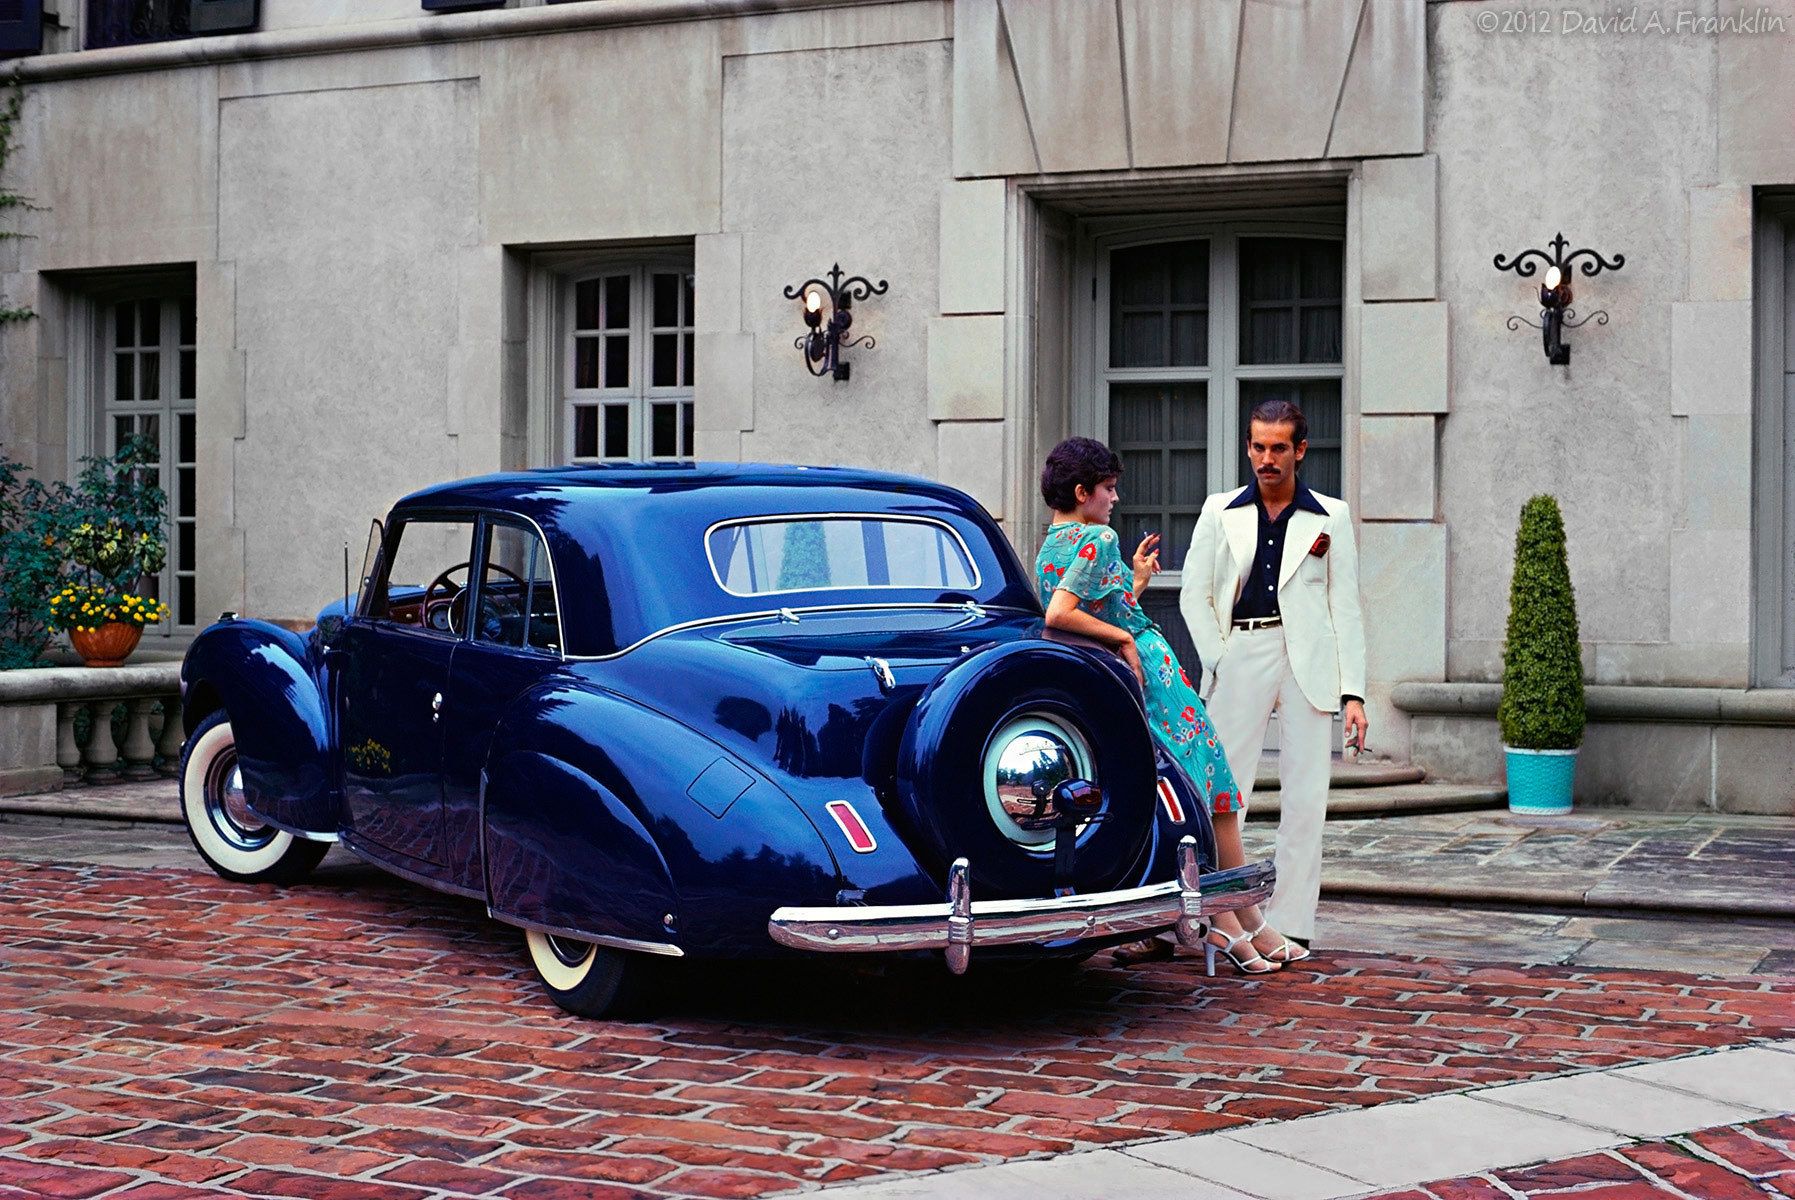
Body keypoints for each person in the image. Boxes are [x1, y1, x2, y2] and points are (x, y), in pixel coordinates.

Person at [1034, 437, 1285, 975]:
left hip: (1122, 680)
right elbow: (1060, 615)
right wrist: (1125, 639)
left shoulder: (1049, 546)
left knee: (1183, 791)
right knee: (1208, 788)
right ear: (1081, 492)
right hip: (1149, 674)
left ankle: (1242, 917)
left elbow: (1097, 611)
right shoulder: (1096, 537)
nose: (1114, 499)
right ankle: (1231, 919)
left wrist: (1136, 582)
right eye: (1107, 488)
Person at [1179, 399, 1368, 961]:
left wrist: (1353, 692)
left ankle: (1290, 925)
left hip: (1309, 660)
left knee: (1306, 798)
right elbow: (1194, 593)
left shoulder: (1331, 516)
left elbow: (1345, 606)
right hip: (1241, 648)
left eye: (1278, 448)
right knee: (1223, 792)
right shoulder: (1220, 510)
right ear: (1248, 447)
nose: (1267, 458)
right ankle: (1220, 917)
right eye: (1258, 446)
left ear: (1300, 450)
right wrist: (1220, 658)